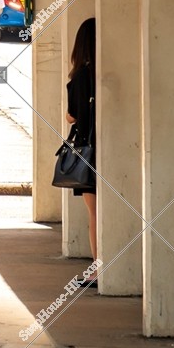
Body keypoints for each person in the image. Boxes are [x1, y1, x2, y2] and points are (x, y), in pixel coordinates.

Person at [66, 17, 98, 277]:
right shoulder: (107, 72)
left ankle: (98, 271)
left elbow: (71, 116)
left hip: (88, 151)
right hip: (112, 148)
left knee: (95, 214)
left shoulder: (80, 77)